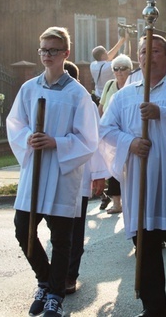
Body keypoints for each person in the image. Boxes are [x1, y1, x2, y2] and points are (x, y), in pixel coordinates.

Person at [99, 34, 166, 317]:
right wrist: (130, 143)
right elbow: (106, 130)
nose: (149, 56)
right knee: (145, 247)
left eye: (156, 51)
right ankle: (153, 305)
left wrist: (162, 113)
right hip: (141, 181)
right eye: (144, 51)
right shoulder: (125, 96)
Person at [6, 26, 99, 317]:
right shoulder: (29, 88)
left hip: (61, 175)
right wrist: (28, 140)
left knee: (61, 240)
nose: (47, 55)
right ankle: (45, 281)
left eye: (53, 50)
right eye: (43, 50)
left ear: (65, 53)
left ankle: (55, 296)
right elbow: (15, 124)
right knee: (24, 230)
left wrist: (55, 142)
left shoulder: (77, 94)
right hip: (34, 171)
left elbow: (88, 139)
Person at [62, 60, 108, 297]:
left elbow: (95, 140)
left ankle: (70, 275)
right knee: (59, 229)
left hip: (79, 176)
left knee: (75, 228)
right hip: (55, 175)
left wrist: (98, 175)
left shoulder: (86, 103)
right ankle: (55, 273)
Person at [97, 54, 135, 214]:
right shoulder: (109, 85)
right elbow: (101, 106)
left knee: (131, 168)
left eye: (122, 69)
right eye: (116, 69)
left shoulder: (134, 84)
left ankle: (132, 202)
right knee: (114, 166)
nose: (119, 72)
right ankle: (117, 203)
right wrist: (99, 126)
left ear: (130, 70)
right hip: (113, 132)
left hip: (129, 131)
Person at [90, 31, 128, 98]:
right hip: (109, 96)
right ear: (102, 56)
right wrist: (127, 41)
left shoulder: (92, 65)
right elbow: (125, 58)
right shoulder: (108, 67)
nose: (107, 53)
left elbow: (107, 58)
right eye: (105, 52)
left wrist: (120, 42)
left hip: (98, 96)